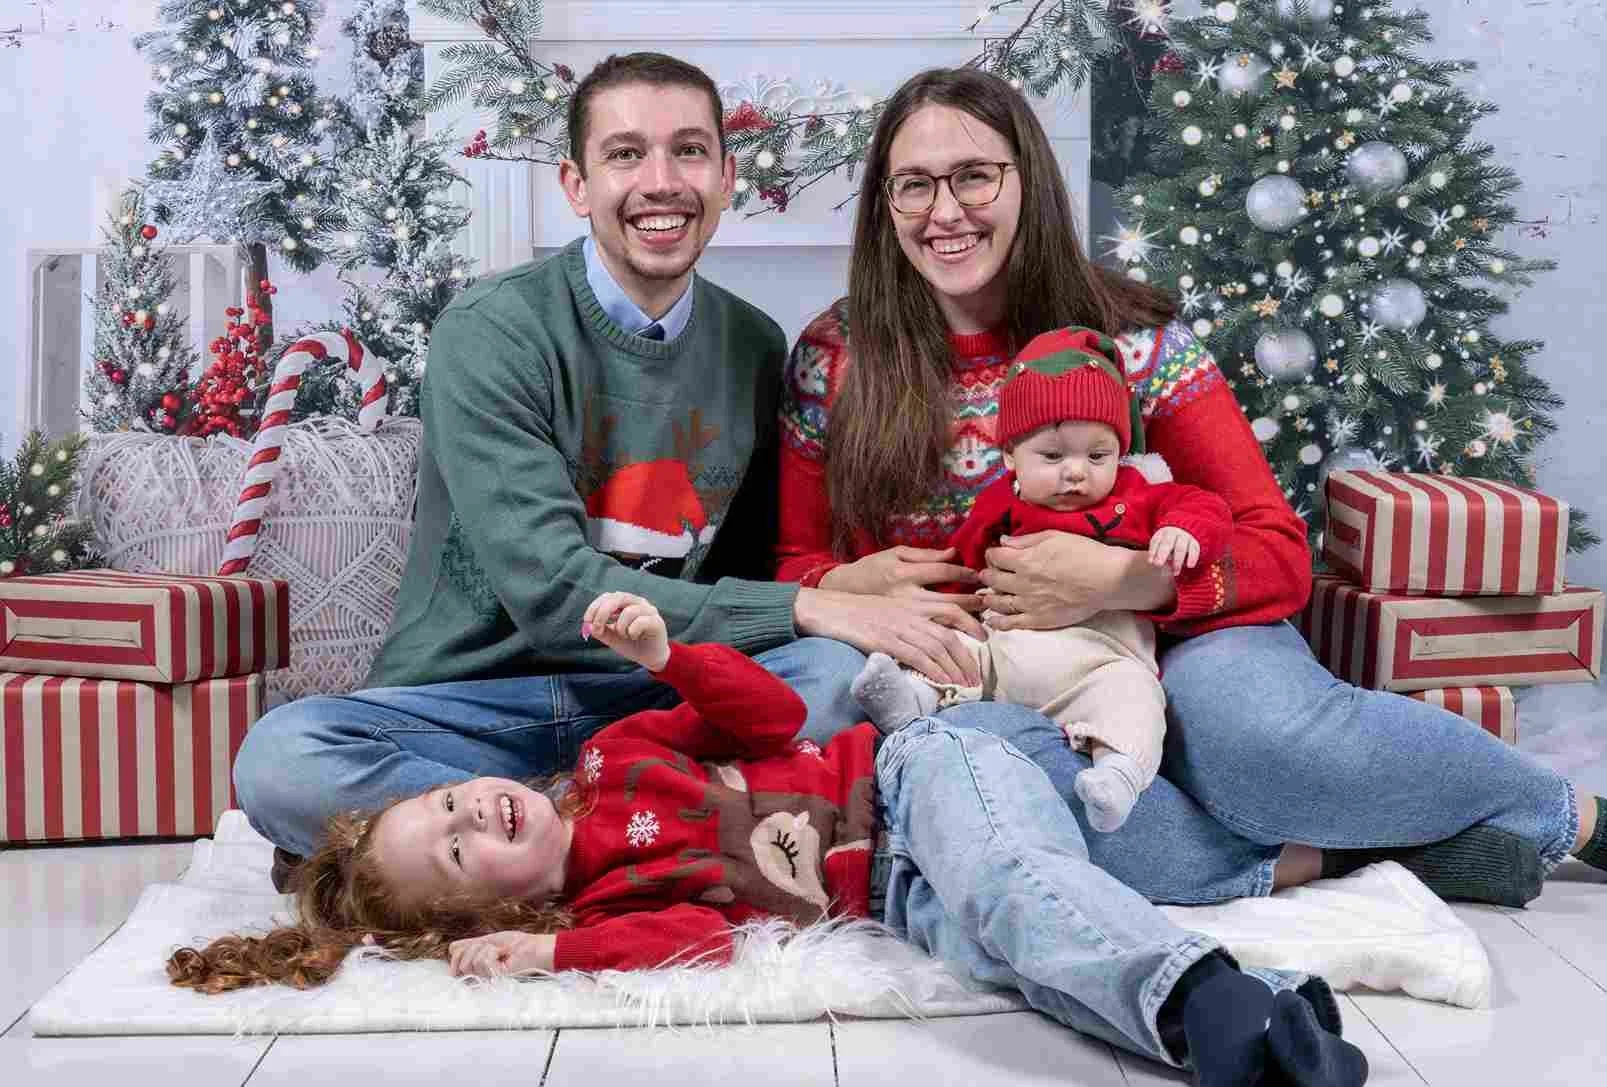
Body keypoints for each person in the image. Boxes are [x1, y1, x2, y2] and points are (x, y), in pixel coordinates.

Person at [776, 66, 1607, 908]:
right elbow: (788, 566)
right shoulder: (837, 358)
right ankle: (1354, 859)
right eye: (912, 185)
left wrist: (1125, 580)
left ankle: (1568, 814)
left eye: (973, 175)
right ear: (885, 203)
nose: (943, 211)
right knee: (998, 787)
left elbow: (1276, 550)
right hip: (992, 667)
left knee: (1263, 748)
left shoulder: (1135, 342)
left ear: (1027, 178)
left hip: (1180, 637)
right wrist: (840, 581)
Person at [233, 52, 1000, 884]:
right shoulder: (493, 330)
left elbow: (737, 578)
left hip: (651, 698)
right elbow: (561, 600)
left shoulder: (752, 345)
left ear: (726, 176)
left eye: (689, 152)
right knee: (282, 759)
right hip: (473, 703)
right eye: (626, 154)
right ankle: (633, 836)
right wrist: (818, 603)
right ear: (575, 183)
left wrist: (842, 586)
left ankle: (490, 852)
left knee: (834, 679)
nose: (661, 181)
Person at [170, 592, 1369, 1087]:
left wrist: (665, 661)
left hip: (909, 773)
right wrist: (557, 962)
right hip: (891, 893)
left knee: (1013, 875)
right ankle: (1274, 992)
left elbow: (773, 717)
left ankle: (1205, 1005)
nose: (467, 811)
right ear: (495, 914)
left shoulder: (610, 760)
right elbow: (697, 933)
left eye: (445, 803)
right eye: (454, 851)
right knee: (1003, 940)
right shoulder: (599, 918)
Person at [851, 324, 1232, 833]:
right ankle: (912, 701)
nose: (1076, 472)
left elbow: (1203, 505)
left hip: (1101, 663)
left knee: (1137, 699)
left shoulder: (1139, 495)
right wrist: (935, 613)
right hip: (1007, 649)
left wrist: (1184, 532)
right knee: (962, 654)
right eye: (1052, 456)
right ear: (1010, 456)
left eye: (1097, 455)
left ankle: (1117, 775)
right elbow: (961, 567)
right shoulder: (1000, 506)